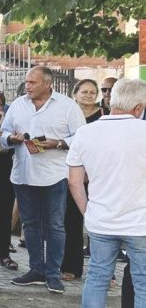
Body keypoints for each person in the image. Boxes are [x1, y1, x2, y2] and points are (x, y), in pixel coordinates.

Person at [68, 78, 146, 308]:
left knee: (98, 277)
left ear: (110, 102)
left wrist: (87, 212)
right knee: (143, 281)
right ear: (138, 106)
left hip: (101, 218)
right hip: (140, 221)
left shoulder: (86, 133)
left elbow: (75, 181)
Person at [0, 66, 85, 294]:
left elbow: (82, 137)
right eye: (27, 82)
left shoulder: (67, 106)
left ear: (48, 84)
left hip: (54, 174)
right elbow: (3, 133)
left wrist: (57, 143)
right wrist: (12, 138)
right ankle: (36, 269)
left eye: (32, 82)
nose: (27, 86)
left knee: (55, 225)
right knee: (30, 224)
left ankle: (53, 273)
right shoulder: (18, 105)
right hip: (23, 173)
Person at [61, 79, 102, 281]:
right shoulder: (69, 113)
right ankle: (70, 265)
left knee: (97, 221)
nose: (88, 95)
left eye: (92, 92)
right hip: (72, 171)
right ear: (75, 93)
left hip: (96, 174)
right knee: (71, 220)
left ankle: (104, 270)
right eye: (84, 91)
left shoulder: (103, 115)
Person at [0, 88, 18, 271]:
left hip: (4, 174)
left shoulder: (7, 124)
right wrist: (1, 147)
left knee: (4, 215)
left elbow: (13, 145)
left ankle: (4, 254)